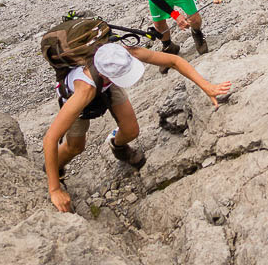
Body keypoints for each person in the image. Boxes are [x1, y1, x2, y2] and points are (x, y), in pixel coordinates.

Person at [43, 39, 231, 213]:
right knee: (75, 147)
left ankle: (117, 146)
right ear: (104, 73)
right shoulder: (85, 90)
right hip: (77, 97)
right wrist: (54, 190)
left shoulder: (120, 55)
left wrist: (206, 86)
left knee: (131, 130)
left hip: (107, 84)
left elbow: (173, 61)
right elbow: (50, 138)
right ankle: (54, 169)